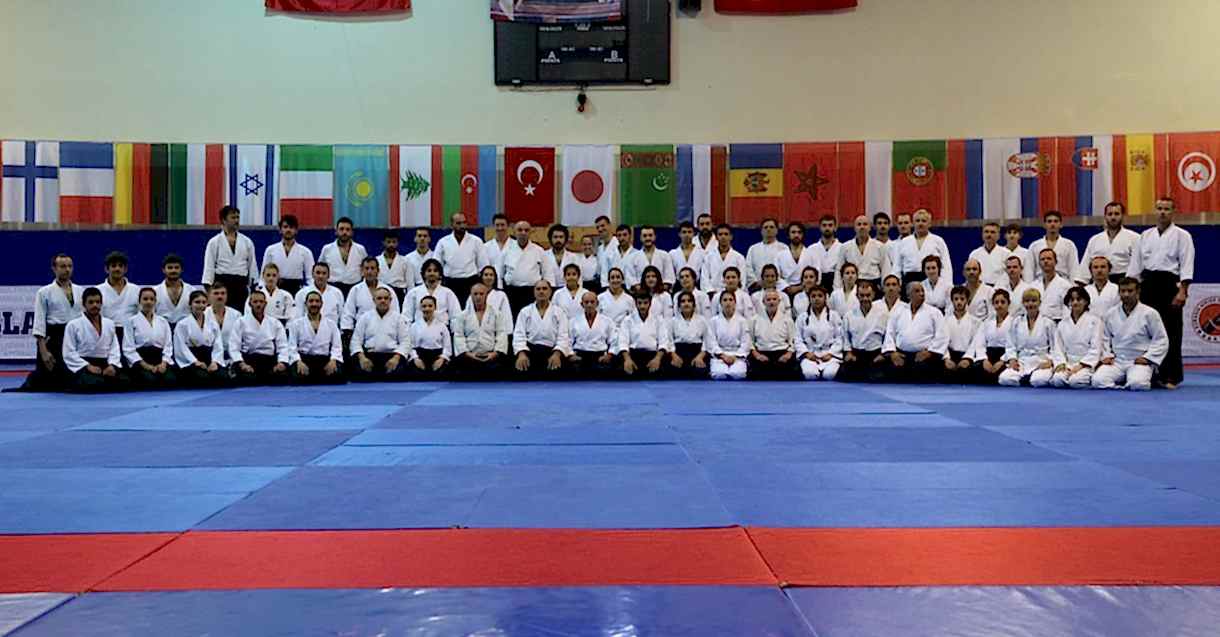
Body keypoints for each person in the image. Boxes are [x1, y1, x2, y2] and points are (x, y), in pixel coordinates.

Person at [1127, 197, 1194, 388]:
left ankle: (1171, 376)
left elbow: (1186, 263)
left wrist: (1183, 291)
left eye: (1167, 209)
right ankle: (1150, 373)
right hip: (1147, 285)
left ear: (1173, 212)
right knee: (1147, 331)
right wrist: (1132, 289)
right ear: (1155, 211)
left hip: (1169, 284)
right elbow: (1136, 265)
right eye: (1159, 208)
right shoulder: (1145, 235)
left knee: (1171, 330)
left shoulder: (1182, 235)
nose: (1163, 212)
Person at [1092, 277, 1169, 391]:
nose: (1126, 294)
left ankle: (1145, 376)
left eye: (1130, 291)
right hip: (1117, 360)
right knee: (1097, 381)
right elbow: (1104, 338)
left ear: (1138, 292)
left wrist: (1148, 358)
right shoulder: (1111, 313)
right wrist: (1107, 355)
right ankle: (1124, 383)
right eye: (1123, 291)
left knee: (1138, 384)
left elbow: (1161, 339)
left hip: (1139, 360)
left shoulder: (1150, 313)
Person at [20, 254, 82, 391]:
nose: (67, 269)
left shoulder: (80, 291)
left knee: (74, 382)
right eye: (63, 266)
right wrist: (43, 350)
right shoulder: (44, 292)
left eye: (70, 266)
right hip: (54, 339)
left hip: (74, 338)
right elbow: (39, 322)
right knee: (49, 382)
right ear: (54, 268)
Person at [879, 282, 948, 383]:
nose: (921, 293)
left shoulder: (934, 312)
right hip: (901, 355)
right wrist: (893, 353)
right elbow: (890, 333)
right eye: (917, 291)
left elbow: (942, 335)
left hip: (925, 356)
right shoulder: (898, 311)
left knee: (923, 371)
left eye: (922, 291)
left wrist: (929, 352)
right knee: (889, 371)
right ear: (908, 295)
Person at [62, 287, 127, 393]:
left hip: (104, 364)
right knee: (93, 382)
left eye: (98, 302)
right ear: (84, 304)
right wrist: (87, 366)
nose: (95, 305)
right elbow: (68, 352)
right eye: (91, 302)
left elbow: (114, 348)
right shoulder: (73, 325)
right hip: (83, 364)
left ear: (101, 303)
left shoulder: (109, 323)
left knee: (126, 381)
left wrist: (112, 365)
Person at [201, 205, 258, 311]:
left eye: (238, 217)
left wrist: (253, 286)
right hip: (222, 283)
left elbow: (252, 265)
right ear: (224, 220)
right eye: (233, 217)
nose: (236, 220)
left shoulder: (247, 242)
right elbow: (209, 267)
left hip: (240, 285)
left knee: (240, 315)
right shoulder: (214, 242)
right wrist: (209, 291)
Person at [228, 290, 291, 386]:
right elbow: (233, 347)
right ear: (250, 304)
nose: (258, 305)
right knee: (246, 379)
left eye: (261, 302)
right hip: (249, 360)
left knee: (283, 377)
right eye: (255, 302)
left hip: (269, 360)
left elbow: (283, 346)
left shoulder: (275, 323)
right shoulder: (241, 322)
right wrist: (242, 364)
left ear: (265, 303)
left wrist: (281, 363)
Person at [998, 289, 1058, 388]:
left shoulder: (1048, 323)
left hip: (1041, 361)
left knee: (1038, 380)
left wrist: (1051, 361)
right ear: (1023, 303)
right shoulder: (1017, 322)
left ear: (1039, 302)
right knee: (1004, 379)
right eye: (1027, 301)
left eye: (1034, 301)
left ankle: (1028, 379)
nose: (1030, 304)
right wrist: (1012, 359)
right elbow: (1010, 344)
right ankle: (1026, 379)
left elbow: (1055, 347)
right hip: (1022, 361)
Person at [451, 283, 512, 380]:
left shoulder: (496, 314)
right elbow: (459, 336)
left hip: (491, 356)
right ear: (471, 296)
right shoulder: (462, 315)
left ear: (486, 295)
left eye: (481, 294)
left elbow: (501, 334)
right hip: (469, 356)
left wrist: (495, 354)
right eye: (475, 294)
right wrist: (468, 354)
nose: (478, 297)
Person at [349, 287, 411, 381]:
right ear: (374, 300)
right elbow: (356, 341)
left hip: (391, 356)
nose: (383, 301)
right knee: (357, 373)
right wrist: (362, 358)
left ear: (390, 300)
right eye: (379, 298)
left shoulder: (398, 318)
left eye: (386, 298)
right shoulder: (365, 317)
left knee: (401, 373)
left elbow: (405, 341)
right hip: (370, 356)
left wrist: (396, 358)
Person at [513, 279, 571, 378]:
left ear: (550, 292)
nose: (541, 291)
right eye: (538, 289)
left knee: (562, 371)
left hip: (552, 351)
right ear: (534, 292)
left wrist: (557, 354)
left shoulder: (559, 312)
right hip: (530, 351)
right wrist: (521, 354)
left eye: (544, 289)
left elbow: (563, 336)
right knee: (518, 370)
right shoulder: (525, 312)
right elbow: (519, 335)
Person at [285, 290, 345, 385]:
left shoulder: (331, 324)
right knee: (296, 377)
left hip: (324, 359)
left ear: (321, 304)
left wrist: (333, 360)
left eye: (317, 301)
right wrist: (298, 361)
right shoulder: (296, 324)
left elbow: (337, 347)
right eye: (311, 301)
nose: (314, 304)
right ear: (306, 304)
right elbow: (292, 347)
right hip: (304, 359)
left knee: (338, 376)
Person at [123, 287, 176, 390]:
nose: (148, 302)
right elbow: (128, 348)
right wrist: (146, 365)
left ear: (155, 301)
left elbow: (168, 345)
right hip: (142, 360)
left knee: (171, 380)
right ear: (139, 301)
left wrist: (164, 363)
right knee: (149, 380)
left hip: (159, 359)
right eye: (145, 299)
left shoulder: (163, 321)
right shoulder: (131, 321)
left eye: (152, 299)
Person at [341, 258, 400, 352]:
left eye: (372, 268)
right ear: (362, 271)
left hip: (385, 331)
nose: (369, 271)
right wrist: (348, 333)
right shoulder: (356, 290)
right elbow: (348, 314)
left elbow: (395, 313)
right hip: (362, 333)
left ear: (378, 271)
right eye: (366, 268)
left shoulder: (388, 290)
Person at [173, 290, 229, 388]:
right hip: (192, 360)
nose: (201, 305)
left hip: (209, 358)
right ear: (190, 304)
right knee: (203, 378)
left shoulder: (212, 323)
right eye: (197, 302)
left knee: (223, 377)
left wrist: (215, 362)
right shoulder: (182, 324)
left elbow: (218, 345)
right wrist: (195, 362)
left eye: (203, 302)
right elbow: (181, 347)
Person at [1052, 286, 1102, 389]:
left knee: (1075, 381)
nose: (1075, 302)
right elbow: (1058, 347)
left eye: (1079, 299)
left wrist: (1081, 365)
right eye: (1072, 300)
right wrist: (1061, 363)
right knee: (1057, 380)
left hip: (1084, 364)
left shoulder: (1095, 321)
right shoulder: (1062, 323)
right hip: (1068, 363)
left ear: (1086, 301)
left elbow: (1095, 347)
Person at [1079, 201, 1139, 284]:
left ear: (1123, 216)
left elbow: (1137, 264)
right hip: (1098, 280)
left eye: (1116, 214)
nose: (1113, 217)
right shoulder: (1095, 239)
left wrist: (1132, 282)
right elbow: (1086, 264)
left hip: (1124, 281)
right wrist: (1082, 281)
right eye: (1110, 214)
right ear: (1105, 217)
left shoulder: (1134, 238)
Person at [502, 221, 553, 317]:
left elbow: (547, 273)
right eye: (520, 230)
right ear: (514, 232)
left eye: (526, 230)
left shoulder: (539, 250)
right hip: (512, 292)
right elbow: (500, 273)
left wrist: (549, 291)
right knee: (513, 317)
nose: (523, 233)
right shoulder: (507, 250)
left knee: (532, 317)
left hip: (532, 292)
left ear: (530, 232)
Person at [839, 281, 887, 383]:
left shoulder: (883, 315)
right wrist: (848, 352)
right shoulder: (849, 315)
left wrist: (883, 354)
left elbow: (888, 337)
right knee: (844, 374)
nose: (865, 298)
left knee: (878, 377)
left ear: (873, 295)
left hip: (875, 354)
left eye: (868, 295)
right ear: (857, 296)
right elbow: (845, 337)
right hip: (856, 354)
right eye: (862, 295)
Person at [434, 212, 486, 305]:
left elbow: (483, 265)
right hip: (450, 282)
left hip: (470, 281)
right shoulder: (443, 242)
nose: (462, 226)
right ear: (452, 225)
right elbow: (436, 265)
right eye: (458, 223)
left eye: (464, 222)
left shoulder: (476, 241)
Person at [895, 209, 952, 294]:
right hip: (909, 279)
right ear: (913, 223)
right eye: (917, 221)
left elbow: (946, 265)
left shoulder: (938, 241)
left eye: (924, 221)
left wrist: (947, 285)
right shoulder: (904, 242)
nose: (920, 223)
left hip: (930, 278)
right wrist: (896, 284)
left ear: (929, 224)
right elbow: (897, 266)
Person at [617, 293, 672, 378]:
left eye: (645, 303)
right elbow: (623, 342)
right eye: (639, 303)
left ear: (650, 303)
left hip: (653, 355)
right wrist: (627, 360)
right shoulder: (628, 320)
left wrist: (657, 359)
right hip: (634, 355)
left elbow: (663, 342)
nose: (642, 306)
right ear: (635, 304)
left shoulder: (658, 319)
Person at [567, 291, 618, 380]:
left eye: (592, 302)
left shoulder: (607, 321)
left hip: (600, 357)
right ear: (582, 304)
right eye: (586, 302)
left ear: (597, 303)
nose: (589, 305)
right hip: (580, 357)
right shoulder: (573, 321)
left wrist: (609, 355)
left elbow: (614, 340)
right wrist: (571, 355)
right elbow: (568, 341)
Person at [795, 286, 842, 381]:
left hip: (829, 354)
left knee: (829, 374)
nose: (816, 299)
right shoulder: (802, 317)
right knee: (809, 374)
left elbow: (840, 337)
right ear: (809, 299)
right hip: (810, 355)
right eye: (813, 296)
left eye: (820, 296)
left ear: (825, 298)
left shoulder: (834, 316)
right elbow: (797, 338)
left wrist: (831, 353)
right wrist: (806, 353)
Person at [749, 289, 797, 380]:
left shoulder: (787, 319)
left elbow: (793, 340)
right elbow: (750, 341)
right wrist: (757, 355)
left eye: (774, 299)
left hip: (781, 353)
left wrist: (788, 354)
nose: (772, 302)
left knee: (790, 372)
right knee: (755, 373)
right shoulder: (754, 319)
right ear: (763, 302)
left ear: (779, 301)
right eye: (768, 300)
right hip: (762, 352)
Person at [969, 288, 1013, 386]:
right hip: (989, 355)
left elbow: (1015, 346)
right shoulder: (987, 322)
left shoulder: (1014, 322)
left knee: (1003, 374)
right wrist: (984, 359)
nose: (999, 305)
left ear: (1008, 303)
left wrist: (1002, 361)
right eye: (996, 302)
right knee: (974, 370)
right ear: (993, 304)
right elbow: (980, 343)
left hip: (1005, 355)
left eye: (1003, 302)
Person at [261, 214, 314, 295]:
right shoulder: (271, 250)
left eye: (291, 227)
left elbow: (310, 277)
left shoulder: (305, 252)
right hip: (276, 288)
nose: (288, 230)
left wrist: (308, 291)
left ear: (296, 230)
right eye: (285, 227)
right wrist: (263, 289)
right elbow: (263, 274)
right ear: (280, 230)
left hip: (297, 289)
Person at [318, 216, 368, 297]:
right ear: (336, 231)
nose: (344, 232)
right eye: (341, 229)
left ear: (352, 232)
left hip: (355, 287)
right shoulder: (327, 249)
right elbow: (320, 269)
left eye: (347, 229)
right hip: (333, 287)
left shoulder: (360, 249)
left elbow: (365, 269)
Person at [838, 215, 889, 293]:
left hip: (874, 284)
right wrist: (838, 289)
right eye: (859, 224)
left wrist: (885, 288)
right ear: (854, 228)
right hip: (852, 284)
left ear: (870, 227)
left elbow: (885, 269)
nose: (862, 227)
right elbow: (839, 269)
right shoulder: (845, 247)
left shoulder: (879, 246)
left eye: (865, 224)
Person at [707, 292, 751, 381]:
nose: (728, 302)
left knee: (737, 374)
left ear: (735, 303)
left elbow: (746, 342)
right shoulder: (713, 321)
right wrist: (722, 355)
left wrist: (735, 356)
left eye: (731, 300)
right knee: (719, 374)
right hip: (720, 355)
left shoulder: (742, 321)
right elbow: (711, 341)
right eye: (725, 300)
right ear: (720, 303)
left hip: (737, 355)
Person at [403, 259, 461, 325]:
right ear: (423, 274)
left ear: (440, 274)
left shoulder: (448, 293)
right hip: (419, 329)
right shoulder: (413, 293)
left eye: (435, 271)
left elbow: (456, 316)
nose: (432, 273)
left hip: (442, 329)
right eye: (429, 270)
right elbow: (406, 317)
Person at [942, 286, 981, 384]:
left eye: (962, 299)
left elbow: (975, 343)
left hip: (967, 355)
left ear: (967, 300)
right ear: (952, 301)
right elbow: (942, 342)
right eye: (956, 299)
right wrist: (946, 358)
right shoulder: (944, 321)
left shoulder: (976, 322)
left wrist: (967, 358)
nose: (959, 302)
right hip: (950, 356)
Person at [98, 251, 140, 343]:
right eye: (113, 266)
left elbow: (141, 315)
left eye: (120, 266)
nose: (117, 269)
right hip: (106, 334)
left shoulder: (136, 290)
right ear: (106, 269)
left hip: (131, 334)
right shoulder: (98, 290)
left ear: (125, 269)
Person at [669, 290, 711, 379]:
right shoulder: (673, 321)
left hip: (697, 351)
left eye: (689, 301)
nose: (686, 303)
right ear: (679, 306)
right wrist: (674, 356)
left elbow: (707, 340)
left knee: (701, 372)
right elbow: (669, 340)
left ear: (694, 305)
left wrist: (700, 356)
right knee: (672, 371)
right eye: (683, 301)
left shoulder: (702, 320)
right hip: (679, 351)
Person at [408, 296, 452, 379]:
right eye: (424, 306)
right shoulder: (414, 326)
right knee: (414, 374)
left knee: (445, 373)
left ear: (435, 307)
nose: (427, 309)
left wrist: (442, 358)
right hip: (420, 355)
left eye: (430, 306)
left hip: (437, 355)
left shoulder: (442, 326)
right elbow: (410, 346)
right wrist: (415, 358)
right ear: (420, 308)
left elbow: (447, 347)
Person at [1028, 211, 1079, 281]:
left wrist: (1073, 286)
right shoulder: (1035, 245)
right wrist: (1029, 286)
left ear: (1061, 224)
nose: (1052, 224)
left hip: (1063, 281)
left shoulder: (1069, 245)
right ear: (1044, 225)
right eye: (1049, 221)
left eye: (1056, 221)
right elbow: (1029, 270)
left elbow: (1074, 268)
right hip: (1040, 281)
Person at [700, 224, 747, 292]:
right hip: (713, 294)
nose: (723, 237)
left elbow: (742, 279)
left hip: (733, 294)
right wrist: (711, 292)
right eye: (720, 234)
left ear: (731, 236)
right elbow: (704, 278)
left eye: (726, 234)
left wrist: (734, 293)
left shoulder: (739, 257)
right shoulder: (708, 257)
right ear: (716, 237)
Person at [1030, 248, 1073, 322]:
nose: (1045, 261)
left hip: (1057, 324)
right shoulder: (1033, 286)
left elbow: (1067, 313)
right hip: (1037, 325)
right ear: (1039, 263)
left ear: (1056, 262)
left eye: (1049, 259)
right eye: (1042, 259)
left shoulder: (1065, 286)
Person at [153, 254, 194, 327]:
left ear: (181, 270)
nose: (173, 270)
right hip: (161, 328)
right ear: (163, 270)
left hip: (186, 328)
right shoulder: (155, 291)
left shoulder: (191, 290)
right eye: (170, 268)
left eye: (176, 267)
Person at [376, 230, 415, 305]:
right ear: (383, 242)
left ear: (397, 243)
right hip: (381, 293)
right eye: (388, 242)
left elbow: (410, 283)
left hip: (399, 293)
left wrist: (410, 300)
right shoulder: (377, 260)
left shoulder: (405, 261)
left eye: (394, 242)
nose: (391, 244)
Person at [206, 284, 242, 368]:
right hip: (209, 357)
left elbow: (239, 339)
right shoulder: (204, 314)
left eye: (223, 293)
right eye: (216, 293)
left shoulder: (236, 315)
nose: (220, 296)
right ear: (209, 296)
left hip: (232, 356)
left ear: (226, 296)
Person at [745, 218, 786, 291]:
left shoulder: (783, 248)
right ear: (761, 231)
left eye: (771, 227)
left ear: (777, 230)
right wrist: (757, 282)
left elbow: (786, 269)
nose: (768, 229)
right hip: (758, 288)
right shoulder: (753, 249)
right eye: (765, 227)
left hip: (779, 288)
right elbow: (748, 268)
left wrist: (778, 282)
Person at [804, 215, 842, 291]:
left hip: (837, 285)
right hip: (816, 287)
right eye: (824, 225)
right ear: (820, 227)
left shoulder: (842, 248)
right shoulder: (811, 249)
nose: (827, 228)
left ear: (835, 228)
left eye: (830, 225)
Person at [967, 222, 1009, 287]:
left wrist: (998, 287)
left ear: (998, 236)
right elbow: (970, 274)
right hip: (979, 288)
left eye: (992, 232)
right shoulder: (974, 254)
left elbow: (1008, 274)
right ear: (982, 234)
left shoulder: (1006, 253)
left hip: (1000, 288)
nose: (989, 235)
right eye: (986, 232)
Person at [543, 223, 582, 289]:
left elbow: (579, 279)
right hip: (548, 290)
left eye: (561, 237)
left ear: (565, 239)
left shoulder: (574, 257)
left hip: (568, 291)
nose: (558, 240)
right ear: (550, 239)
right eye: (555, 237)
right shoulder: (544, 256)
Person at [669, 221, 705, 290]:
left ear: (694, 234)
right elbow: (671, 274)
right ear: (679, 234)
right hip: (678, 286)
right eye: (684, 232)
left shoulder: (702, 253)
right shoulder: (672, 253)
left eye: (689, 232)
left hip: (697, 286)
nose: (687, 235)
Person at [481, 213, 512, 283]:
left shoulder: (515, 245)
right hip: (492, 283)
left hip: (510, 284)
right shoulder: (486, 246)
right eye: (497, 225)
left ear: (508, 226)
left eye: (502, 225)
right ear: (493, 226)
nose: (500, 228)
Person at [778, 222, 808, 294]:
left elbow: (817, 274)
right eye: (793, 232)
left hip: (806, 290)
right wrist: (787, 287)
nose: (796, 235)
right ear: (788, 235)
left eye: (799, 232)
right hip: (786, 291)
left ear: (803, 235)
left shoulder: (810, 253)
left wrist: (800, 287)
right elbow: (776, 275)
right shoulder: (780, 255)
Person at [594, 215, 619, 285]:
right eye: (597, 227)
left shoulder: (617, 245)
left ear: (609, 225)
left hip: (615, 284)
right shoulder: (600, 249)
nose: (600, 229)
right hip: (602, 285)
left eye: (602, 226)